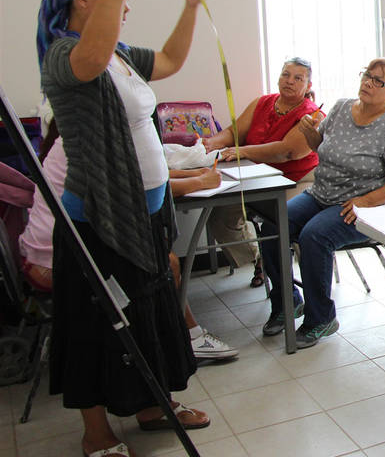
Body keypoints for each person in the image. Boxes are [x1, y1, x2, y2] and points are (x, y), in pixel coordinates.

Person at [38, 0, 209, 457]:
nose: (127, 5)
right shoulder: (65, 55)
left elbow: (172, 60)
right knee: (96, 322)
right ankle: (96, 433)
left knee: (148, 313)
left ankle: (151, 404)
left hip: (148, 214)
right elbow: (89, 62)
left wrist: (189, 6)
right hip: (99, 221)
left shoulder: (121, 55)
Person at [17, 135, 237, 359]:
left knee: (158, 254)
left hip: (41, 254)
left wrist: (195, 174)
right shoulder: (93, 144)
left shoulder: (71, 140)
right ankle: (190, 338)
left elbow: (142, 177)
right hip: (56, 262)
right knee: (165, 262)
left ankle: (175, 333)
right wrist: (200, 182)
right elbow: (139, 189)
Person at [259, 58, 385, 349]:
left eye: (378, 81)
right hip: (320, 194)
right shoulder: (342, 107)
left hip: (359, 207)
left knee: (314, 236)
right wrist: (308, 130)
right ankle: (286, 302)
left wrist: (365, 201)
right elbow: (320, 145)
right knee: (272, 225)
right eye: (367, 75)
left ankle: (321, 318)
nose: (368, 83)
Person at [201, 57, 321, 286]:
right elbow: (234, 132)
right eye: (285, 75)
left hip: (296, 179)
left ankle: (303, 284)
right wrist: (212, 143)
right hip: (256, 178)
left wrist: (243, 151)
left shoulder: (312, 114)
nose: (289, 81)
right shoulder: (263, 102)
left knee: (280, 222)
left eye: (298, 78)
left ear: (308, 85)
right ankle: (259, 260)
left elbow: (288, 151)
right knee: (220, 219)